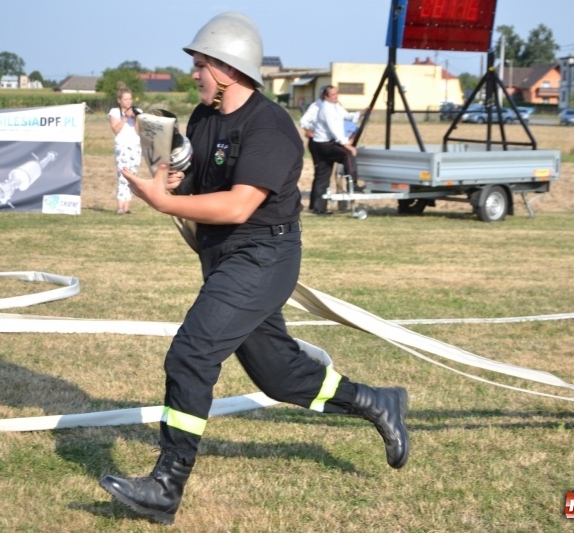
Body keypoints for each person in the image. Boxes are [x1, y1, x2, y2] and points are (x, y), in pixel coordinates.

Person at [98, 12, 409, 526]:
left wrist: (160, 202)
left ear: (227, 68)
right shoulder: (203, 118)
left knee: (191, 353)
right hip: (224, 256)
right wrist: (170, 180)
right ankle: (377, 401)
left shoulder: (271, 128)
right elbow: (202, 188)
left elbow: (240, 205)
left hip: (263, 256)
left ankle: (165, 486)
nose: (193, 74)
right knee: (279, 376)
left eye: (200, 65)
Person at [309, 85, 364, 214]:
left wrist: (362, 113)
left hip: (323, 144)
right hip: (324, 144)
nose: (336, 96)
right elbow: (335, 130)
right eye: (333, 94)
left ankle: (319, 208)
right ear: (326, 96)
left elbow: (347, 116)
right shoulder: (326, 109)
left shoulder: (336, 106)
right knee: (348, 154)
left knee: (323, 176)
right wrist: (347, 145)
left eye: (337, 93)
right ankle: (353, 184)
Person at [107, 85, 141, 214]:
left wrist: (136, 118)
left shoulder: (137, 111)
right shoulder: (114, 112)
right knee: (122, 175)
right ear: (119, 100)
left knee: (132, 176)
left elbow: (138, 131)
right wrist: (126, 117)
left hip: (135, 146)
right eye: (126, 99)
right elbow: (115, 129)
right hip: (122, 146)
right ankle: (120, 207)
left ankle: (127, 207)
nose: (129, 102)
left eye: (130, 99)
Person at [297, 90, 323, 212]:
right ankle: (316, 205)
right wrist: (311, 132)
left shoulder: (335, 106)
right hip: (318, 141)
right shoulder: (316, 106)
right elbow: (303, 121)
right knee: (320, 173)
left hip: (330, 142)